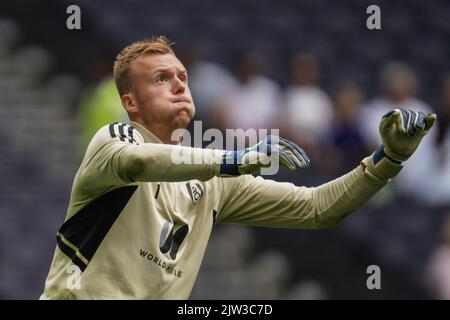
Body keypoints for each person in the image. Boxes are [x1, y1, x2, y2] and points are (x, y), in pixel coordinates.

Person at [40, 36, 436, 299]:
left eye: (183, 77)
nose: (180, 85)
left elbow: (318, 208)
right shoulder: (112, 141)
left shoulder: (213, 182)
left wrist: (389, 160)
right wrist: (234, 158)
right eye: (162, 79)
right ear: (130, 102)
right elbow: (140, 161)